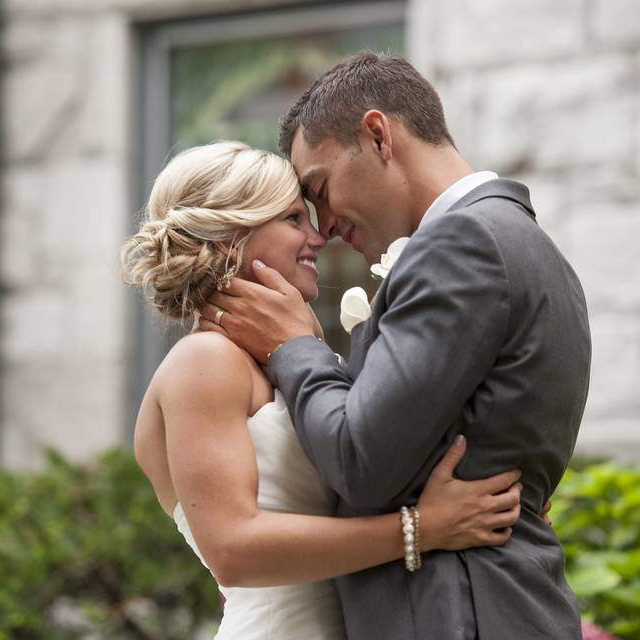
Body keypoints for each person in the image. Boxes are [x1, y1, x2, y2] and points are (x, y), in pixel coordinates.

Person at [200, 52, 592, 639]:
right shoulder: (528, 243)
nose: (323, 226)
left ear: (378, 135)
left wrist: (296, 345)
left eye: (320, 189)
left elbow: (361, 460)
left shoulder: (464, 243)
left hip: (458, 614)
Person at [121, 141, 528, 640]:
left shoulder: (282, 358)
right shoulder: (205, 361)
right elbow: (233, 549)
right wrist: (421, 528)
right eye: (294, 219)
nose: (319, 238)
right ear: (232, 238)